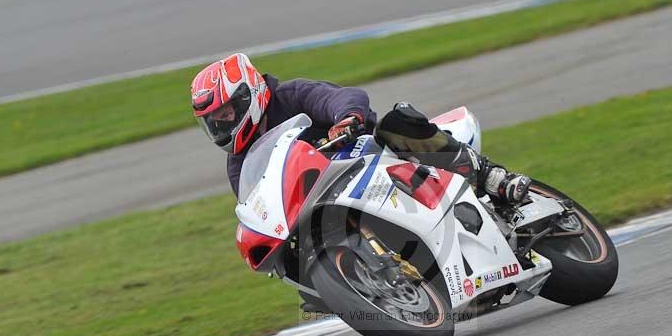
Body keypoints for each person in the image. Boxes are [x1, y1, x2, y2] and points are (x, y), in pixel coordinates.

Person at [191, 53, 531, 204]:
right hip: (328, 198)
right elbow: (258, 203)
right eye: (214, 119)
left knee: (396, 124)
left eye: (227, 112)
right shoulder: (239, 164)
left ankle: (492, 178)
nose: (223, 123)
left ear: (249, 93)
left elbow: (340, 97)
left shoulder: (291, 95)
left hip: (370, 155)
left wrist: (347, 119)